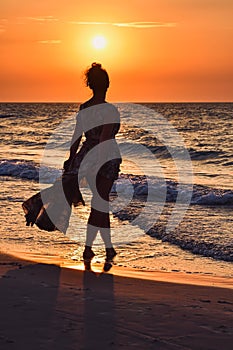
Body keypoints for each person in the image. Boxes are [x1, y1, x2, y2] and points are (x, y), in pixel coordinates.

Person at [63, 63, 122, 271]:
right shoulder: (109, 110)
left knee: (100, 203)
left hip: (86, 156)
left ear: (90, 85)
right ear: (107, 85)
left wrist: (71, 160)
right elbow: (105, 138)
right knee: (100, 202)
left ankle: (108, 248)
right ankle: (88, 248)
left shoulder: (84, 108)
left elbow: (76, 137)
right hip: (105, 157)